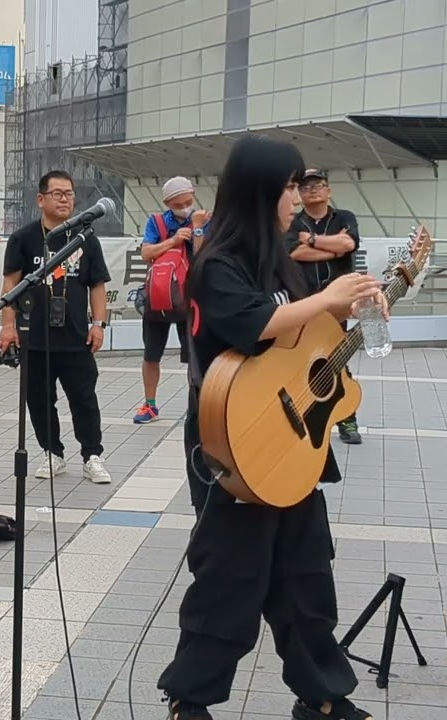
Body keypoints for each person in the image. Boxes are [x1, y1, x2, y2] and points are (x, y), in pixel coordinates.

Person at [158, 135, 382, 720]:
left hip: (292, 441)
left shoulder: (279, 257)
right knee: (229, 577)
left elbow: (303, 335)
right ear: (261, 190)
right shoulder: (217, 263)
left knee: (306, 574)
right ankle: (191, 701)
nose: (297, 196)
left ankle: (324, 697)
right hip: (233, 437)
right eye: (288, 185)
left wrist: (350, 305)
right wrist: (325, 295)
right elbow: (254, 325)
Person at [0, 170, 112, 484]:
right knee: (38, 400)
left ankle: (92, 456)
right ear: (41, 199)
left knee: (84, 399)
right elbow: (10, 284)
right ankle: (52, 453)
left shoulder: (85, 238)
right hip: (34, 337)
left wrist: (98, 324)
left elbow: (97, 285)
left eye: (69, 193)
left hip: (76, 337)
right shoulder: (24, 238)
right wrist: (7, 327)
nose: (64, 199)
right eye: (57, 193)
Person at [287, 169, 364, 445]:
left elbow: (349, 243)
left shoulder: (344, 218)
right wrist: (334, 249)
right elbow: (293, 252)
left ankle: (348, 418)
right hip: (302, 303)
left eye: (318, 186)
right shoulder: (294, 221)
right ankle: (304, 412)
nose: (313, 191)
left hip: (338, 305)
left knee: (336, 356)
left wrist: (311, 240)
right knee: (303, 358)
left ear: (329, 190)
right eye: (306, 188)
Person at [134, 176, 203, 425]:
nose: (184, 207)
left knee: (193, 356)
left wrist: (196, 229)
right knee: (151, 354)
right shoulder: (157, 222)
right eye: (177, 204)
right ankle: (149, 404)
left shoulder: (205, 219)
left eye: (187, 201)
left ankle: (196, 404)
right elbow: (146, 253)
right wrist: (173, 241)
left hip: (190, 299)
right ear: (167, 203)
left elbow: (205, 254)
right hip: (159, 297)